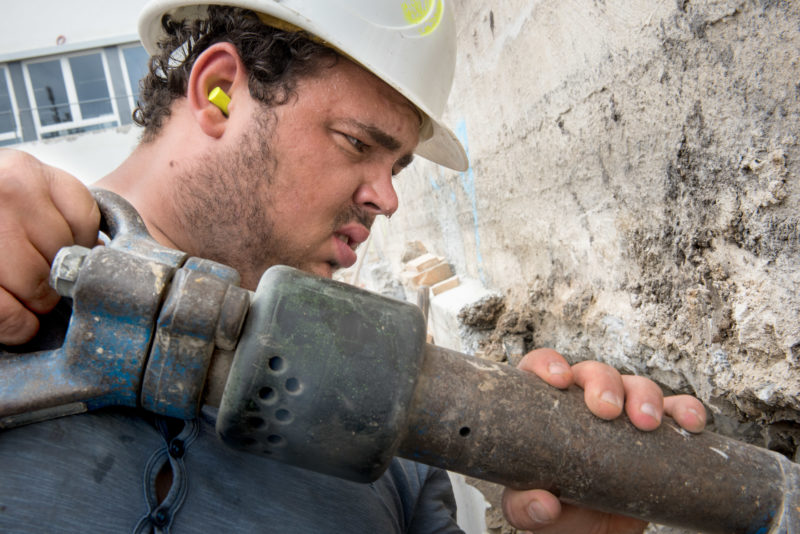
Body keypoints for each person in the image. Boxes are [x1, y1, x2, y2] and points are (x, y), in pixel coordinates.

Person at [0, 2, 706, 533]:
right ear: (218, 93)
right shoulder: (15, 278)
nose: (388, 197)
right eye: (356, 142)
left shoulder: (391, 422)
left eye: (396, 165)